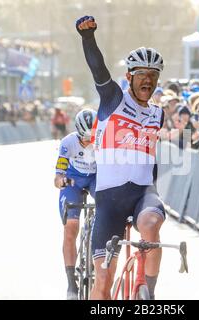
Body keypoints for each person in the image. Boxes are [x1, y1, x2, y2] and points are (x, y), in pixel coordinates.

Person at [76, 15, 166, 300]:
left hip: (142, 194)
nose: (148, 80)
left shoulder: (158, 114)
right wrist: (87, 38)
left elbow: (150, 156)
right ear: (129, 77)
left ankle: (147, 294)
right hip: (109, 201)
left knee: (151, 225)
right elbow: (99, 70)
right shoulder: (114, 98)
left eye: (153, 76)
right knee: (103, 282)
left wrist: (152, 187)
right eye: (141, 74)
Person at [54, 108, 97, 300]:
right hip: (74, 180)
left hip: (96, 178)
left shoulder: (104, 140)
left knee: (109, 207)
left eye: (93, 137)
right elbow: (58, 177)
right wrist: (62, 181)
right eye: (85, 138)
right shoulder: (68, 142)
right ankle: (71, 282)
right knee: (71, 226)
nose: (89, 142)